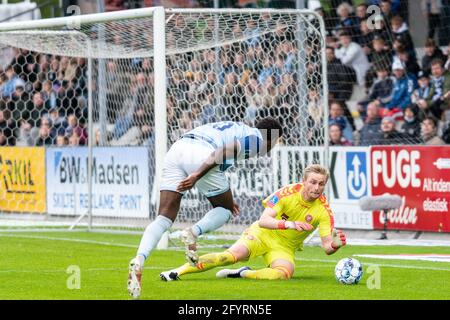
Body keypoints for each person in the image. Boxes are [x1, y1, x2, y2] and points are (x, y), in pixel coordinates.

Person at [127, 118, 283, 298]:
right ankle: (192, 232)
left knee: (164, 217)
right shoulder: (258, 139)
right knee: (224, 211)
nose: (273, 147)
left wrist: (225, 197)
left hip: (178, 149)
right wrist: (196, 175)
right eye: (276, 142)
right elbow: (222, 151)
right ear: (271, 137)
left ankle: (139, 259)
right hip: (201, 154)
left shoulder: (240, 129)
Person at [159, 164, 346, 282]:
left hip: (284, 247)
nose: (316, 187)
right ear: (303, 181)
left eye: (321, 184)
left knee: (283, 274)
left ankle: (242, 273)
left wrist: (335, 245)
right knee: (229, 257)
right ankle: (177, 272)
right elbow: (264, 221)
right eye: (313, 182)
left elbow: (327, 248)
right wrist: (289, 224)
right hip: (261, 234)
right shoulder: (286, 193)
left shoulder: (324, 211)